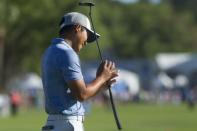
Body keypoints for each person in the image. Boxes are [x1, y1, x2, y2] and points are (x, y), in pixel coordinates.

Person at [41, 12, 118, 131]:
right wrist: (102, 78)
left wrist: (101, 85)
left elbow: (73, 94)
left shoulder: (50, 51)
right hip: (67, 124)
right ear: (78, 28)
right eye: (87, 35)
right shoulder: (67, 53)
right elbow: (82, 94)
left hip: (54, 123)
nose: (86, 42)